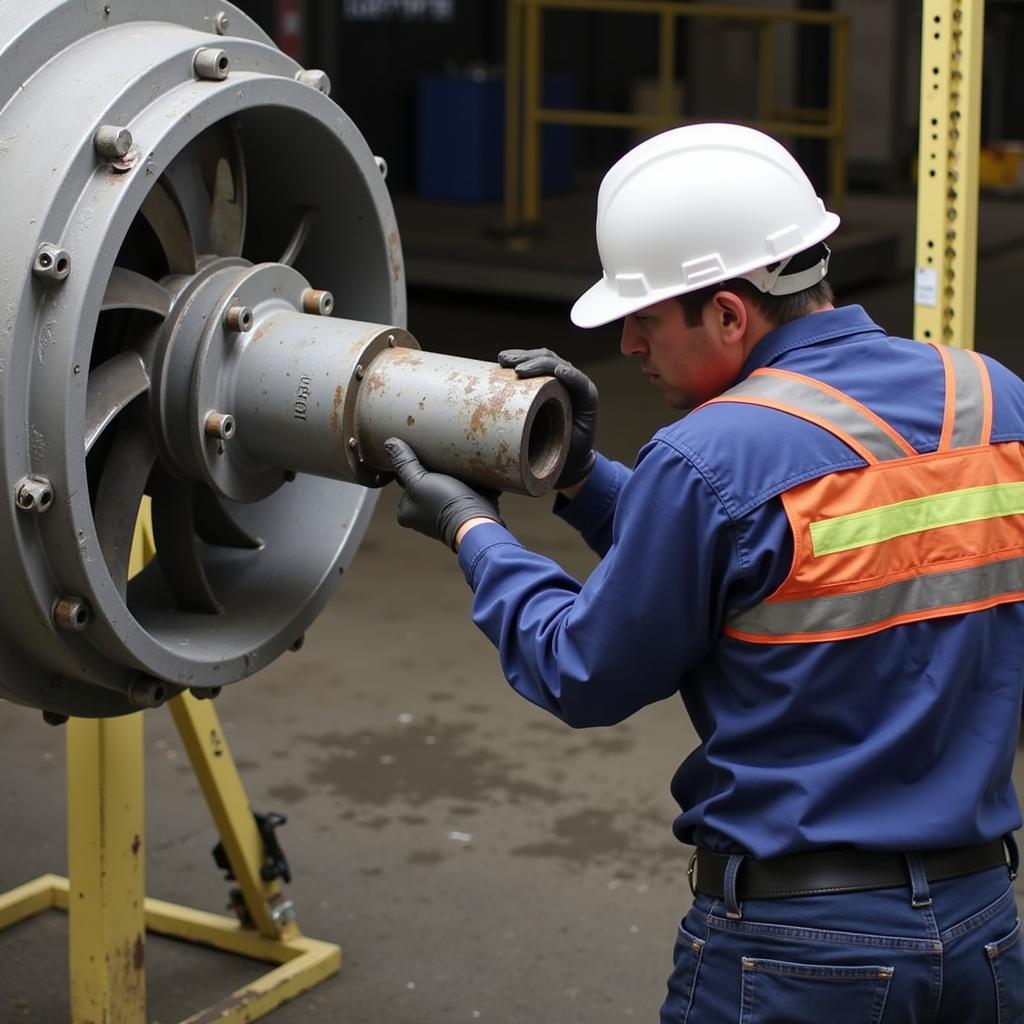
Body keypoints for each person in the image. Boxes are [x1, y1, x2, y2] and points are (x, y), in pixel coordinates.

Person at [383, 122, 1024, 1021]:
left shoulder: (708, 456)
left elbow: (585, 669)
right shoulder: (993, 398)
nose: (633, 347)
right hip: (985, 934)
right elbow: (758, 565)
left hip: (803, 954)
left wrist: (471, 533)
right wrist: (577, 474)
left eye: (642, 319)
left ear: (728, 312)